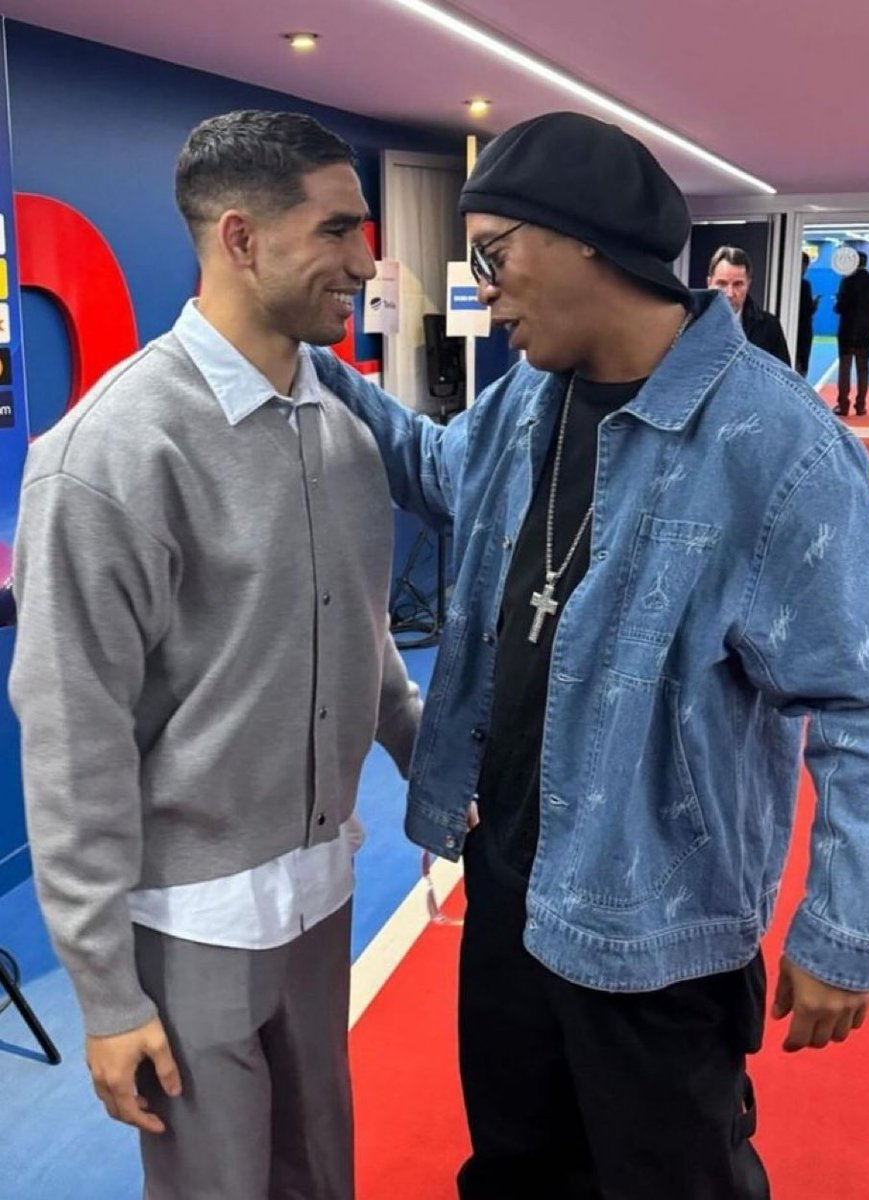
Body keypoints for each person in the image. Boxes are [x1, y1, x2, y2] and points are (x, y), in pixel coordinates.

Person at [309, 112, 869, 1199]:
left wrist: (845, 923)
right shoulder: (530, 397)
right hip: (507, 886)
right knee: (514, 1167)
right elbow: (441, 471)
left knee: (668, 1179)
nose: (485, 286)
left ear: (585, 241)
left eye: (496, 254)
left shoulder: (775, 446)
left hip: (661, 926)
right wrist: (300, 360)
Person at [9, 110, 421, 1200]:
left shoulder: (340, 435)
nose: (365, 262)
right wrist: (105, 993)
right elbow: (72, 738)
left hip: (322, 891)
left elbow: (362, 639)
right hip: (191, 920)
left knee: (319, 1174)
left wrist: (441, 771)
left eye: (365, 229)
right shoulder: (109, 454)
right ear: (240, 238)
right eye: (338, 231)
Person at [708, 244, 791, 365]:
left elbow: (783, 380)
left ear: (748, 285)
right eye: (722, 283)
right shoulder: (690, 325)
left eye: (738, 284)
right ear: (709, 283)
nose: (729, 293)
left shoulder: (769, 328)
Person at [833, 250, 869, 416]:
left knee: (845, 369)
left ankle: (843, 404)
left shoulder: (847, 281)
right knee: (863, 369)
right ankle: (861, 405)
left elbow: (840, 307)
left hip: (847, 331)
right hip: (866, 332)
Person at [796, 251, 819, 376]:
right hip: (803, 330)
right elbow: (807, 309)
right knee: (801, 363)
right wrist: (814, 305)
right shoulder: (804, 285)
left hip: (802, 329)